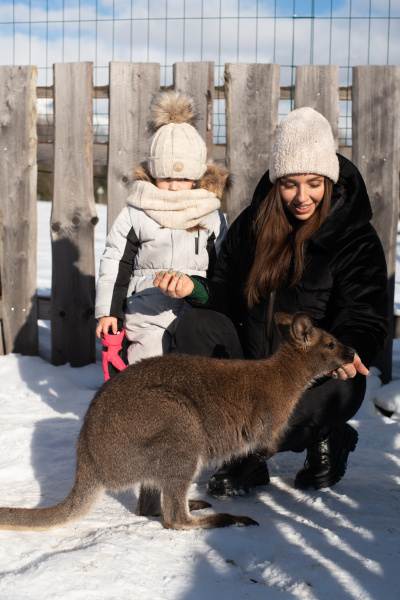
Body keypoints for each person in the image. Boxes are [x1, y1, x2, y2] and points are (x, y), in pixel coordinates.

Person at [153, 106, 389, 493]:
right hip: (250, 371)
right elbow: (226, 292)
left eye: (314, 182)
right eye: (289, 184)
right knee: (193, 327)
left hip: (311, 378)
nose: (302, 197)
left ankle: (318, 439)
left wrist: (354, 349)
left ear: (328, 179)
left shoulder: (355, 238)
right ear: (276, 181)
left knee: (341, 388)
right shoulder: (254, 224)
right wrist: (193, 289)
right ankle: (241, 452)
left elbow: (364, 315)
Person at [95, 90, 228, 373]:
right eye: (166, 176)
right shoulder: (137, 210)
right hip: (146, 311)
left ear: (196, 177)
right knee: (145, 370)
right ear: (153, 173)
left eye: (183, 177)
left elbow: (222, 269)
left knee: (192, 370)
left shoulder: (209, 213)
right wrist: (109, 312)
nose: (174, 185)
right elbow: (116, 261)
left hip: (194, 311)